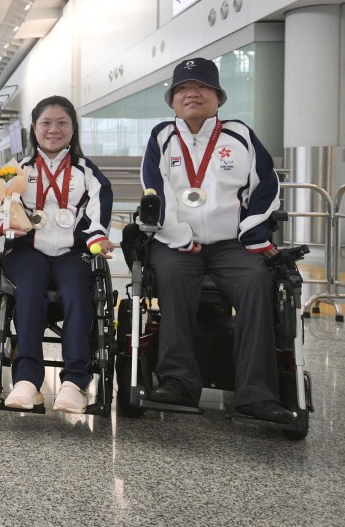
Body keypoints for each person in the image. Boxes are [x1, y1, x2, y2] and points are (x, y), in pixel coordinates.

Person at [142, 57, 293, 424]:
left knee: (258, 281)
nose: (191, 93)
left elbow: (267, 186)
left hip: (231, 242)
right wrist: (177, 235)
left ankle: (256, 394)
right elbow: (153, 189)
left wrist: (253, 233)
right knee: (174, 277)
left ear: (218, 97)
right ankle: (178, 380)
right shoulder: (162, 136)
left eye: (202, 87)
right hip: (176, 240)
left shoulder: (239, 135)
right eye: (182, 88)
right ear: (173, 99)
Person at [0, 96, 114, 413]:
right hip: (27, 250)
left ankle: (73, 383)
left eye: (61, 123)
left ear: (73, 128)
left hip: (73, 251)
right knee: (28, 292)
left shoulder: (88, 173)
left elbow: (99, 220)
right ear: (34, 128)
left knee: (78, 294)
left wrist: (99, 238)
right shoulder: (16, 171)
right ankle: (27, 381)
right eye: (46, 122)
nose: (53, 129)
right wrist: (4, 225)